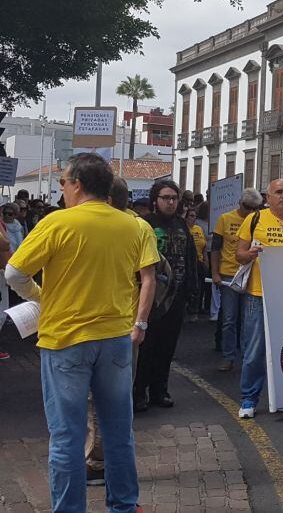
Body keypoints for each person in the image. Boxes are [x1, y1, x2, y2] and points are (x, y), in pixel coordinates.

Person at [5, 153, 152, 512]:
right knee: (118, 431)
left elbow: (14, 274)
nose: (62, 190)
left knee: (67, 437)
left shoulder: (58, 223)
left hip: (66, 338)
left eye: (64, 183)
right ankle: (123, 505)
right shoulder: (132, 226)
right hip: (115, 337)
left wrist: (41, 296)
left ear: (79, 185)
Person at [85, 177, 159, 486]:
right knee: (114, 398)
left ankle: (99, 460)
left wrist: (139, 323)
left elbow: (149, 278)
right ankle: (105, 460)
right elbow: (151, 278)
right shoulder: (138, 227)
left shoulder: (131, 227)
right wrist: (140, 323)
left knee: (97, 398)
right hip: (120, 326)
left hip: (101, 325)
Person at [235, 179, 283, 418]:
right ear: (268, 197)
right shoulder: (254, 219)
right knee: (255, 351)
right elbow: (239, 255)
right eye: (279, 192)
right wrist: (251, 254)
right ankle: (249, 399)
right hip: (259, 294)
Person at [134, 180, 198, 412]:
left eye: (174, 198)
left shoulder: (182, 225)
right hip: (151, 297)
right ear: (155, 200)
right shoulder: (144, 225)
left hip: (176, 296)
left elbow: (190, 257)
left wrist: (192, 289)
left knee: (167, 347)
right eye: (166, 198)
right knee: (145, 347)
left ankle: (160, 390)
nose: (171, 202)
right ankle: (139, 393)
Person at [212, 189, 262, 371]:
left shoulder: (259, 221)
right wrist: (215, 272)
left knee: (248, 320)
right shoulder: (225, 219)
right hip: (228, 274)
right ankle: (228, 356)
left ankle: (247, 358)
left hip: (251, 275)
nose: (249, 211)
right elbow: (216, 248)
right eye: (246, 206)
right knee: (229, 318)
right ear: (240, 202)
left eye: (253, 208)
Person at [185, 207, 209, 316]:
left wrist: (206, 261)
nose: (194, 218)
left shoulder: (199, 229)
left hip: (199, 261)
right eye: (191, 216)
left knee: (199, 287)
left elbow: (204, 245)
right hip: (187, 262)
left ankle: (196, 309)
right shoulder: (184, 229)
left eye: (195, 216)